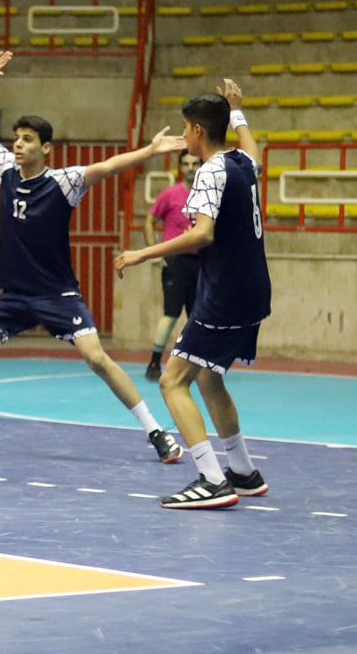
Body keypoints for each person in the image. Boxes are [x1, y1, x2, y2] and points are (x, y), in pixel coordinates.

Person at [0, 51, 184, 464]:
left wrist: (149, 150)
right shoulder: (4, 169)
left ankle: (156, 432)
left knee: (96, 358)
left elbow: (108, 166)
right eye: (16, 138)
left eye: (27, 139)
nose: (18, 144)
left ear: (46, 148)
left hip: (57, 295)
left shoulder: (63, 182)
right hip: (14, 297)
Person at [115, 79, 270, 509]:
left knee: (172, 380)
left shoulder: (210, 171)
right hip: (253, 290)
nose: (183, 134)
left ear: (198, 130)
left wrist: (143, 253)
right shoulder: (241, 161)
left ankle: (211, 480)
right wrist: (238, 112)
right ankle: (243, 472)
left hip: (224, 294)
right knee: (208, 376)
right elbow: (254, 152)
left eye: (185, 127)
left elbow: (202, 234)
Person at [143, 151, 202, 381]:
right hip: (175, 262)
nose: (190, 168)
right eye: (186, 164)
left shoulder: (208, 196)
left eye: (194, 163)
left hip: (201, 262)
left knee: (198, 316)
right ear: (180, 167)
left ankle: (196, 364)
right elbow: (150, 221)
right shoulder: (169, 194)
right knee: (171, 314)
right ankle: (154, 362)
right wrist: (154, 251)